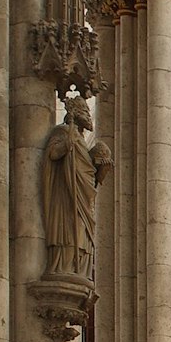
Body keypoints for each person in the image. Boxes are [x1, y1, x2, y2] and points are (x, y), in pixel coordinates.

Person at [42, 97, 111, 279]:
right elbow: (53, 154)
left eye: (89, 111)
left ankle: (79, 269)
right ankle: (64, 266)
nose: (88, 115)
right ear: (75, 113)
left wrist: (101, 168)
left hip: (83, 198)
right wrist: (68, 144)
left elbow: (89, 176)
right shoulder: (64, 132)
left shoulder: (80, 139)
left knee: (83, 234)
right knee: (68, 233)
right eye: (84, 111)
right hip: (67, 197)